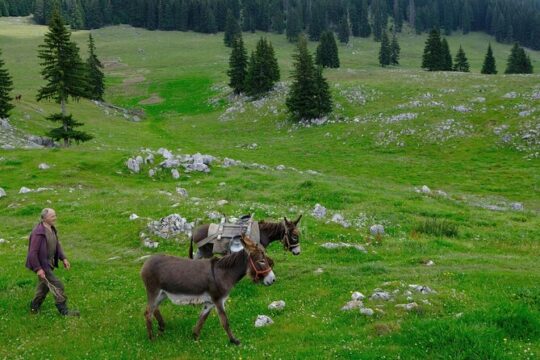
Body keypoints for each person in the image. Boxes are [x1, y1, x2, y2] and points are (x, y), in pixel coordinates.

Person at [26, 208, 79, 316]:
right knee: (57, 285)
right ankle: (64, 311)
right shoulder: (38, 232)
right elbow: (32, 252)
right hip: (42, 265)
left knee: (44, 287)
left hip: (48, 263)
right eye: (52, 216)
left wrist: (63, 258)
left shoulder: (52, 228)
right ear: (45, 218)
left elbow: (56, 245)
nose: (55, 218)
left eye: (55, 215)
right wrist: (38, 269)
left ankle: (34, 307)